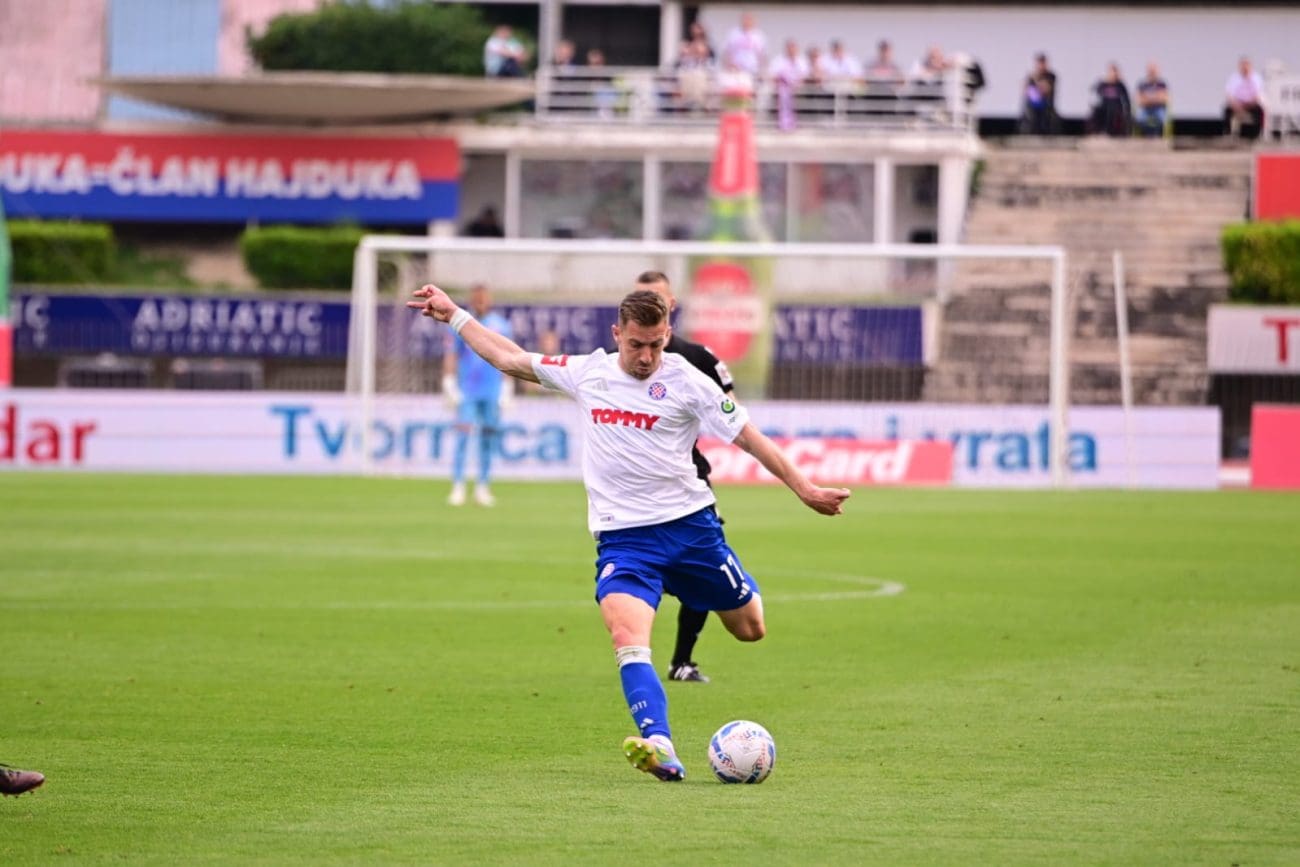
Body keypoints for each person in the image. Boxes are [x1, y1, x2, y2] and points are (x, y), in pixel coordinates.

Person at [407, 284, 850, 781]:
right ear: (617, 333)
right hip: (625, 541)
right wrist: (455, 315)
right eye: (637, 344)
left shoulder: (688, 381)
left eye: (656, 345)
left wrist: (804, 488)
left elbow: (749, 438)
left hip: (691, 531)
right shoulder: (589, 372)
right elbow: (509, 358)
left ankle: (707, 587)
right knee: (628, 638)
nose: (646, 357)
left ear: (668, 335)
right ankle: (660, 744)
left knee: (750, 629)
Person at [635, 271, 736, 684]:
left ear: (672, 305)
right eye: (642, 297)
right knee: (640, 570)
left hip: (689, 478)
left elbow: (732, 409)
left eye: (657, 298)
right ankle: (635, 654)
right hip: (638, 485)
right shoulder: (616, 358)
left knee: (703, 569)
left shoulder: (697, 358)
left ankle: (682, 661)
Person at [443, 283, 513, 507]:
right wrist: (449, 382)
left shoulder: (501, 325)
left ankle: (483, 485)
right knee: (463, 436)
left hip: (492, 391)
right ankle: (458, 485)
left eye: (484, 298)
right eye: (477, 299)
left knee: (488, 439)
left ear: (489, 300)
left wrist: (507, 387)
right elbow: (451, 354)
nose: (480, 302)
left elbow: (509, 356)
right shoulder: (460, 324)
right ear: (472, 300)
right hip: (468, 391)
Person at [1224, 56, 1264, 139]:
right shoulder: (1234, 78)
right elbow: (1229, 94)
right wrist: (1235, 105)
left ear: (1250, 66)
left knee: (1260, 111)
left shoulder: (1256, 78)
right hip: (1237, 104)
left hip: (1251, 104)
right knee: (1227, 110)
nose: (1245, 67)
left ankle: (1257, 133)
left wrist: (1250, 103)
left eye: (1246, 65)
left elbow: (1258, 94)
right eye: (1243, 65)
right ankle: (1228, 133)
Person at [1089, 62, 1132, 137]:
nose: (1112, 74)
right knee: (1097, 110)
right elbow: (1095, 92)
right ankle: (1097, 131)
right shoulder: (1103, 83)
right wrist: (1103, 81)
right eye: (1111, 72)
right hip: (1104, 107)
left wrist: (1127, 111)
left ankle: (1110, 131)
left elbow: (1126, 99)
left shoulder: (1120, 84)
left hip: (1116, 107)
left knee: (1111, 110)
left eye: (1114, 72)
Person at [1020, 52, 1059, 135]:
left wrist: (1037, 80)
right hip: (1033, 104)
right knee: (1027, 107)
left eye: (1042, 63)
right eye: (1039, 63)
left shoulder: (1051, 75)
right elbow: (1025, 90)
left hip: (1046, 103)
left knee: (1046, 115)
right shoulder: (1031, 76)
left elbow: (1046, 89)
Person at [1134, 62, 1170, 137]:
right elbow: (1139, 101)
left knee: (1161, 117)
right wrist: (1156, 97)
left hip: (1158, 109)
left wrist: (1147, 98)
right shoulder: (1142, 84)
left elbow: (1164, 99)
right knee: (1140, 118)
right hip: (1145, 109)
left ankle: (1158, 137)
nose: (1152, 73)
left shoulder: (1162, 84)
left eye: (1153, 71)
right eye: (1150, 71)